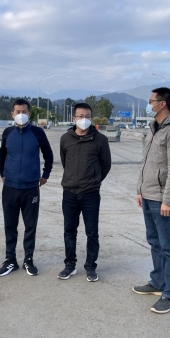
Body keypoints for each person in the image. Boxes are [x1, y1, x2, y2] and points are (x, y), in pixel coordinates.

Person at [133, 87, 170, 314]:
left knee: (169, 247)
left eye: (151, 101)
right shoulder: (154, 128)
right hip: (148, 195)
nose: (149, 105)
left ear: (162, 103)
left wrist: (169, 200)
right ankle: (158, 282)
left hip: (162, 199)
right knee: (155, 242)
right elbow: (147, 163)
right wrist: (140, 189)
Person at [0, 98, 53, 277]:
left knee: (30, 226)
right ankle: (10, 260)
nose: (21, 115)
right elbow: (2, 155)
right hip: (10, 188)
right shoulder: (7, 133)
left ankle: (28, 259)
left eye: (24, 112)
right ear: (12, 114)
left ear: (29, 113)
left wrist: (45, 175)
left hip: (31, 188)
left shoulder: (37, 133)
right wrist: (2, 172)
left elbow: (48, 154)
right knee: (10, 225)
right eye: (18, 112)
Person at [58, 102, 111, 282]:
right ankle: (70, 265)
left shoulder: (101, 140)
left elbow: (106, 165)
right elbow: (65, 162)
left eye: (87, 116)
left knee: (92, 232)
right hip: (69, 193)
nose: (84, 119)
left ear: (91, 118)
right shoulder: (65, 139)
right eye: (80, 116)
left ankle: (90, 267)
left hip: (91, 194)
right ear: (74, 118)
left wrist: (94, 180)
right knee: (69, 231)